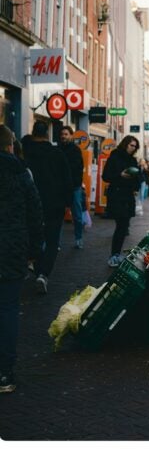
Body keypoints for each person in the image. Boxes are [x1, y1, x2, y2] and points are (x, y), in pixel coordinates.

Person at [0, 125, 44, 393]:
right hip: (12, 248)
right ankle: (4, 373)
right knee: (7, 309)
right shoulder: (21, 173)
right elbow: (35, 212)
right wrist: (35, 251)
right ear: (10, 146)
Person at [22, 121, 71, 294]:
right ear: (47, 135)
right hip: (54, 204)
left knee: (32, 237)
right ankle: (43, 274)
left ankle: (36, 268)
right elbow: (67, 179)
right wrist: (68, 203)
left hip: (30, 204)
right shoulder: (56, 154)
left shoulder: (25, 153)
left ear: (33, 132)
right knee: (52, 241)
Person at [102, 135, 141, 267]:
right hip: (117, 195)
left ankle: (116, 254)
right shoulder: (114, 157)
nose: (133, 148)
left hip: (128, 196)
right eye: (131, 145)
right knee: (121, 226)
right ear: (125, 144)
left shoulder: (133, 160)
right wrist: (120, 175)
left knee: (123, 227)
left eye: (135, 146)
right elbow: (105, 176)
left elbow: (137, 177)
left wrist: (136, 187)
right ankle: (114, 255)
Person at [59, 126, 86, 250]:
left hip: (74, 187)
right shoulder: (58, 150)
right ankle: (56, 242)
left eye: (66, 134)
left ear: (71, 135)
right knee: (58, 216)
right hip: (61, 188)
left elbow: (78, 168)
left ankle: (78, 239)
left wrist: (76, 183)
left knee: (77, 216)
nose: (63, 136)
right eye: (62, 134)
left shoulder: (76, 150)